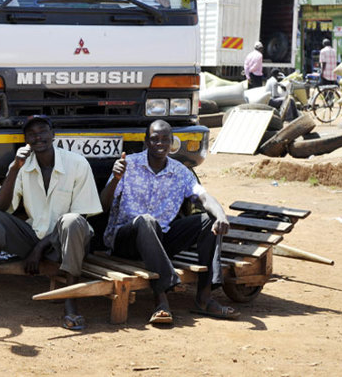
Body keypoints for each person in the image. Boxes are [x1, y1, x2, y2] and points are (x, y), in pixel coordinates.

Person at [0, 115, 102, 330]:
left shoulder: (77, 163)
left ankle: (71, 305)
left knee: (71, 220)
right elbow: (1, 207)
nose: (38, 137)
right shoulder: (22, 166)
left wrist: (40, 247)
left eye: (43, 131)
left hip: (67, 243)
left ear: (53, 134)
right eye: (31, 134)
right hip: (34, 236)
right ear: (26, 140)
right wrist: (14, 169)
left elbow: (82, 216)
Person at [99, 120, 239, 326]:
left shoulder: (180, 171)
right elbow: (103, 204)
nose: (160, 143)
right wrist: (115, 179)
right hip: (125, 241)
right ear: (146, 141)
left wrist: (221, 216)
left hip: (160, 240)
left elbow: (204, 197)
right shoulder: (128, 164)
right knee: (147, 222)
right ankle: (162, 299)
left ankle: (205, 298)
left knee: (208, 221)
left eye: (165, 139)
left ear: (172, 142)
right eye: (155, 139)